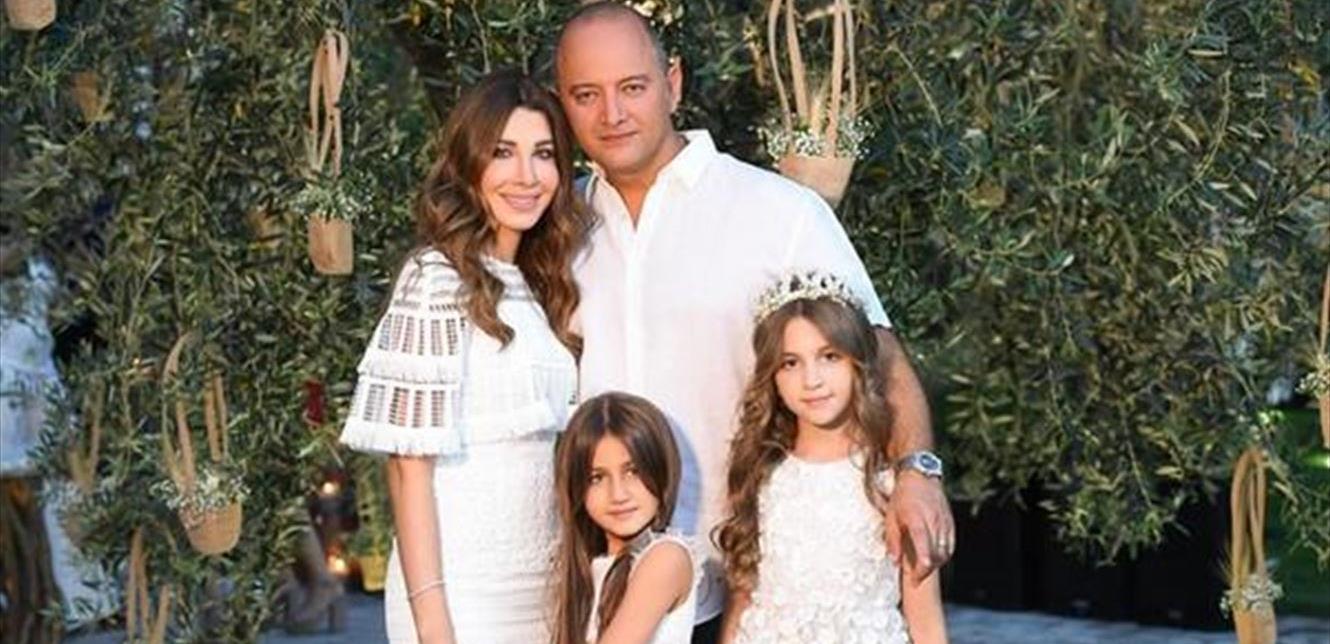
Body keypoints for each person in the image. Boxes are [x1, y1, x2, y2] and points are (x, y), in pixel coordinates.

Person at [553, 3, 953, 639]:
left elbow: (880, 354)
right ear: (562, 104)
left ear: (673, 83)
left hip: (735, 585)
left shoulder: (780, 212)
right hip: (599, 587)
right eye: (586, 95)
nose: (612, 113)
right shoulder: (558, 226)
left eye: (632, 87)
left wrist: (917, 472)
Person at [339, 70, 589, 644]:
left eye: (543, 154)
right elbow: (408, 467)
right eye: (503, 152)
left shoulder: (540, 282)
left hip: (542, 587)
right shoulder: (434, 278)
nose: (527, 176)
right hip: (458, 592)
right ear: (469, 163)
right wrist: (434, 625)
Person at [714, 270, 946, 644]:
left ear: (858, 363)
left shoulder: (889, 482)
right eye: (791, 363)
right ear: (773, 376)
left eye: (829, 357)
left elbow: (927, 623)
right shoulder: (760, 471)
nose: (812, 380)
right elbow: (740, 600)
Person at [552, 391, 700, 644]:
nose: (618, 494)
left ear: (660, 468)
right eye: (597, 478)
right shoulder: (589, 570)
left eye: (633, 471)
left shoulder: (665, 557)